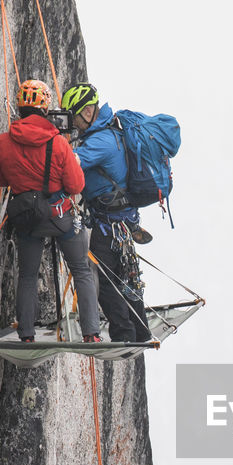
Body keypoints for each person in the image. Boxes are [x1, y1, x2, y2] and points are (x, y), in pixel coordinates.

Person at [0, 79, 101, 343]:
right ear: (45, 108)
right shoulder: (58, 143)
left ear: (19, 107)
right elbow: (76, 184)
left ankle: (26, 334)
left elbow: (1, 180)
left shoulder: (3, 142)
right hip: (59, 216)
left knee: (27, 275)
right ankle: (91, 333)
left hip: (27, 218)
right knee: (81, 270)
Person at [60, 82, 153, 343]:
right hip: (122, 222)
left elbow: (71, 163)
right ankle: (141, 331)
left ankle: (124, 335)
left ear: (88, 112)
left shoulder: (100, 141)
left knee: (104, 281)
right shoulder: (110, 132)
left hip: (109, 225)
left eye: (76, 116)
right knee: (126, 277)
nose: (75, 124)